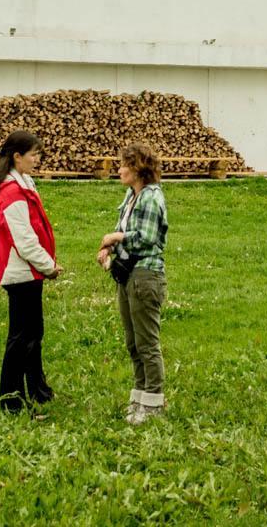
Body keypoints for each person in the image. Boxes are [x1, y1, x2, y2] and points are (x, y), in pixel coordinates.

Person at [0, 130, 58, 414]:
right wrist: (48, 266)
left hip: (30, 272)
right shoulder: (11, 192)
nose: (38, 160)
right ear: (16, 156)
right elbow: (23, 239)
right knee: (21, 339)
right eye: (34, 154)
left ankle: (38, 391)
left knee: (34, 333)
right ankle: (11, 401)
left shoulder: (25, 182)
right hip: (21, 272)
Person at [98, 141, 169, 424]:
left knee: (147, 342)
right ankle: (140, 397)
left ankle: (154, 403)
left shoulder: (152, 197)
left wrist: (115, 239)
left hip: (146, 275)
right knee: (132, 342)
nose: (119, 170)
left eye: (124, 165)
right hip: (127, 274)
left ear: (139, 169)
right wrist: (108, 249)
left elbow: (146, 237)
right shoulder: (131, 196)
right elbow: (122, 230)